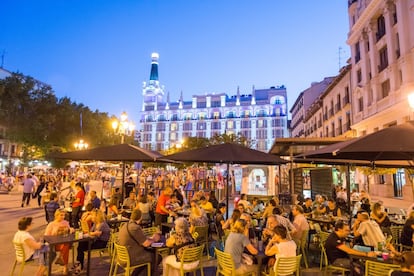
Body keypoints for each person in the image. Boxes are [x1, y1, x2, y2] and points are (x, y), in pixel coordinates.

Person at [118, 209, 161, 276]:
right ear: (140, 217)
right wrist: (155, 239)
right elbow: (146, 244)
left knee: (149, 255)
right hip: (131, 258)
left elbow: (138, 238)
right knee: (156, 257)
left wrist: (150, 238)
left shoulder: (125, 225)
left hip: (122, 257)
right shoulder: (135, 227)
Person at [72, 210, 110, 274]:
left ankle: (79, 264)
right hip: (95, 240)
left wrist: (90, 233)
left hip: (101, 243)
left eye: (93, 216)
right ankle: (79, 263)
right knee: (81, 244)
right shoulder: (95, 224)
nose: (91, 217)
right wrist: (89, 232)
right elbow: (91, 232)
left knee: (81, 246)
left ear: (97, 217)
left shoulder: (103, 225)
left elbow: (95, 234)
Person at [44, 209, 74, 275]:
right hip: (55, 244)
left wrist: (71, 230)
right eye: (61, 215)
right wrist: (55, 233)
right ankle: (64, 265)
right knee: (66, 246)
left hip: (64, 242)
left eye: (64, 215)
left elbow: (69, 232)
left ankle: (63, 262)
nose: (63, 217)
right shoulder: (51, 224)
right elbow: (46, 236)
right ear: (56, 215)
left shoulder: (66, 222)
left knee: (66, 245)